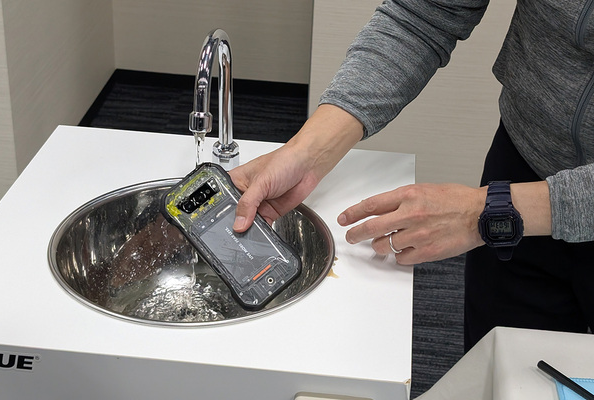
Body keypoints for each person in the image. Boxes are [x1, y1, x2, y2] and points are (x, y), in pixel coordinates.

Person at [229, 0, 594, 351]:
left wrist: (483, 212)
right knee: (503, 372)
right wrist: (309, 151)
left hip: (505, 210)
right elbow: (424, 13)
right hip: (522, 165)